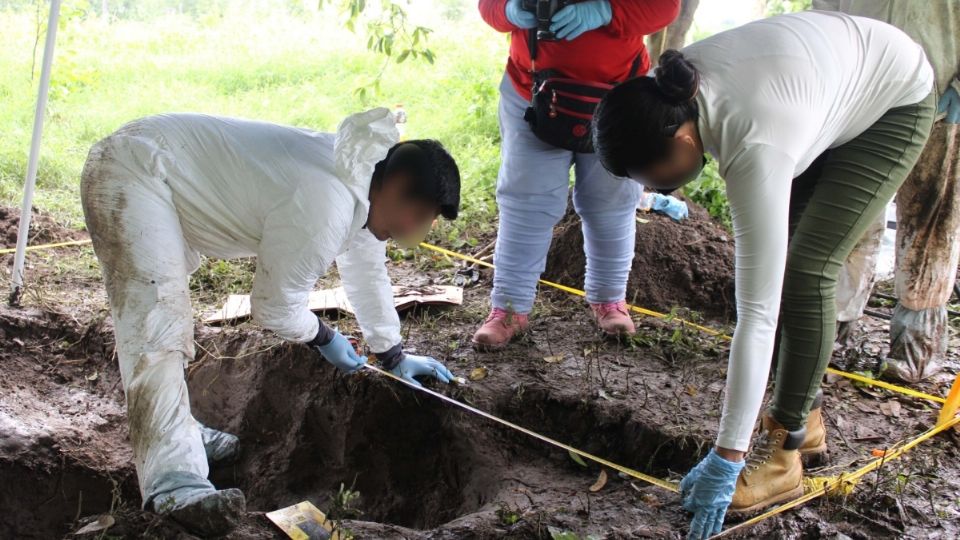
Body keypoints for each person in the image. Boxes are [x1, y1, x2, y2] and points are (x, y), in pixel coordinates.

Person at [592, 11, 934, 539]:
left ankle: (784, 453)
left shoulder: (754, 143)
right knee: (786, 262)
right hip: (823, 87)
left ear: (682, 143)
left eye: (646, 174)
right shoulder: (676, 91)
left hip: (893, 100)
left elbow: (757, 313)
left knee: (805, 272)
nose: (652, 187)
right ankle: (808, 417)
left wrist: (728, 456)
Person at [80, 109, 461, 536]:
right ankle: (176, 485)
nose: (416, 231)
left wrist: (392, 353)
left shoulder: (360, 179)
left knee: (164, 314)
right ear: (396, 188)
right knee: (157, 324)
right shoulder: (327, 202)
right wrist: (323, 336)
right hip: (135, 171)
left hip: (161, 167)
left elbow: (366, 268)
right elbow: (273, 307)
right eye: (421, 217)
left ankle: (178, 435)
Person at [473, 0, 680, 349]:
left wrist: (607, 10)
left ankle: (609, 299)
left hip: (619, 96)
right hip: (534, 94)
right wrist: (508, 10)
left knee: (612, 200)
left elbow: (665, 7)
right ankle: (508, 309)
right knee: (526, 201)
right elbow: (487, 6)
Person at [813, 0, 960, 383]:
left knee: (930, 221)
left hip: (941, 94)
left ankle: (916, 347)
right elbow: (827, 14)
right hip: (864, 95)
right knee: (852, 216)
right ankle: (830, 330)